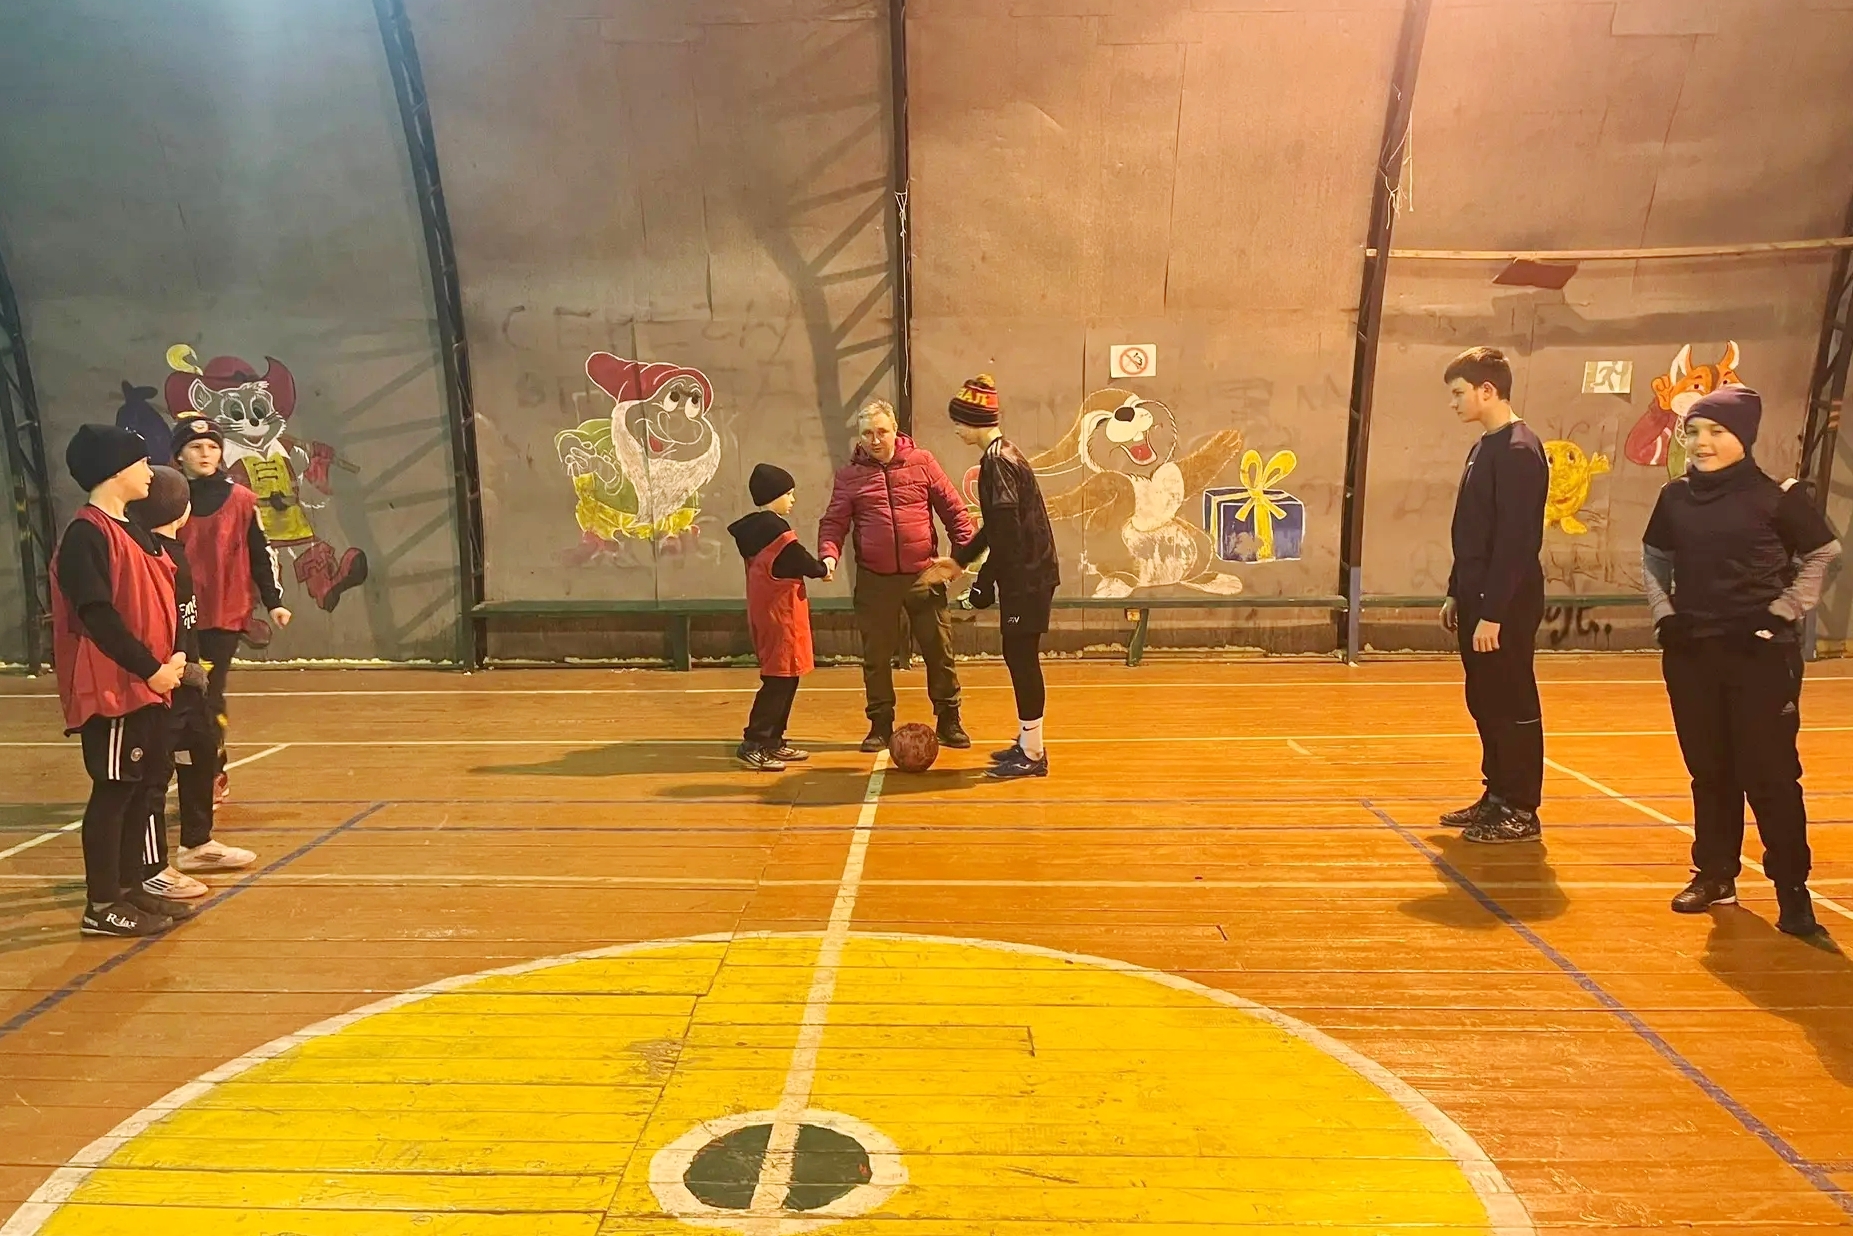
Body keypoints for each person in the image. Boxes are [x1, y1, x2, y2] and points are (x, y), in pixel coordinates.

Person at [1643, 386, 1841, 936]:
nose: (1701, 442)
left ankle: (1791, 889)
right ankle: (1715, 874)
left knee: (1770, 775)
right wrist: (1665, 614)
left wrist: (1783, 612)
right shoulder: (1674, 498)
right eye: (1693, 432)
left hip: (1760, 657)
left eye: (1716, 431)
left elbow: (1824, 554)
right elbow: (1655, 557)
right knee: (1709, 771)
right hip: (1692, 655)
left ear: (1744, 438)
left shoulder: (1777, 497)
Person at [52, 425, 197, 936]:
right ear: (114, 470)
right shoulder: (86, 534)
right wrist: (150, 669)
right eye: (139, 462)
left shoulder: (133, 527)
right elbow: (97, 615)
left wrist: (173, 661)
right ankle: (102, 903)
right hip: (114, 686)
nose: (149, 472)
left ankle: (131, 886)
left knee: (139, 789)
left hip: (148, 684)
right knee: (113, 791)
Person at [1437, 347, 1550, 843]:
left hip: (1506, 603)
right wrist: (1456, 592)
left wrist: (1494, 613)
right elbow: (1474, 532)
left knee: (1512, 700)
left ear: (1488, 390)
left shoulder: (1520, 450)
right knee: (1484, 699)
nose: (1454, 403)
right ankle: (1497, 794)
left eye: (1459, 393)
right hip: (1477, 596)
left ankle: (1521, 807)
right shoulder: (1484, 446)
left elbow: (1516, 542)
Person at [818, 399, 977, 752]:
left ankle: (949, 720)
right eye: (867, 434)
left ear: (895, 431)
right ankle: (879, 724)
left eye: (881, 431)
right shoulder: (849, 477)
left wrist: (961, 559)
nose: (874, 440)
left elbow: (954, 511)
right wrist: (828, 556)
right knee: (876, 658)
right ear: (859, 437)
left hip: (924, 575)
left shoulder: (923, 463)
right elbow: (833, 522)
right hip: (875, 580)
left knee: (940, 652)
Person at [128, 465, 260, 883]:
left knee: (201, 751)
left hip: (189, 681)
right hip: (165, 683)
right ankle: (151, 868)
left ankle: (197, 844)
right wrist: (167, 667)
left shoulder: (176, 550)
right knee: (154, 775)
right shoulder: (151, 555)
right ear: (179, 509)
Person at [926, 375, 1060, 780]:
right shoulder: (1003, 455)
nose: (955, 428)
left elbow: (1006, 534)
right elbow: (997, 526)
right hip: (1028, 573)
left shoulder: (997, 462)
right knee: (1017, 656)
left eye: (959, 421)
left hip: (1028, 576)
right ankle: (1028, 743)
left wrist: (983, 583)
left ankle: (1033, 754)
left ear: (975, 421)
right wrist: (961, 560)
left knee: (1021, 659)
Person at [171, 416, 289, 807]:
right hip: (175, 614)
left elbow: (261, 551)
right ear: (179, 455)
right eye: (195, 447)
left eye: (213, 447)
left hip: (223, 614)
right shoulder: (165, 499)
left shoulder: (241, 499)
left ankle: (212, 772)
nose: (205, 453)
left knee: (207, 696)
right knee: (177, 700)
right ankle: (185, 769)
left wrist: (274, 601)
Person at [728, 464, 829, 772]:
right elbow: (805, 562)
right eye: (789, 493)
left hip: (769, 616)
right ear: (775, 496)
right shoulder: (777, 534)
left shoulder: (755, 532)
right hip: (781, 619)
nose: (793, 499)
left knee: (786, 679)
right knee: (777, 683)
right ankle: (754, 742)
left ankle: (773, 740)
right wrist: (824, 568)